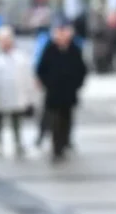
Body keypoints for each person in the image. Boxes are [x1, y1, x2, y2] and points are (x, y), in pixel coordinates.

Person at [36, 21, 88, 162]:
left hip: (69, 92)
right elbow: (41, 69)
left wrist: (77, 84)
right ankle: (56, 147)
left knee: (67, 119)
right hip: (54, 92)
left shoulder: (74, 49)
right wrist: (47, 83)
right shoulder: (50, 49)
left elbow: (82, 70)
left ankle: (65, 141)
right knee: (54, 121)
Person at [0, 26, 36, 157]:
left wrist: (29, 94)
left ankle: (17, 141)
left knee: (16, 117)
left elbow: (26, 75)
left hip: (15, 93)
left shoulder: (20, 55)